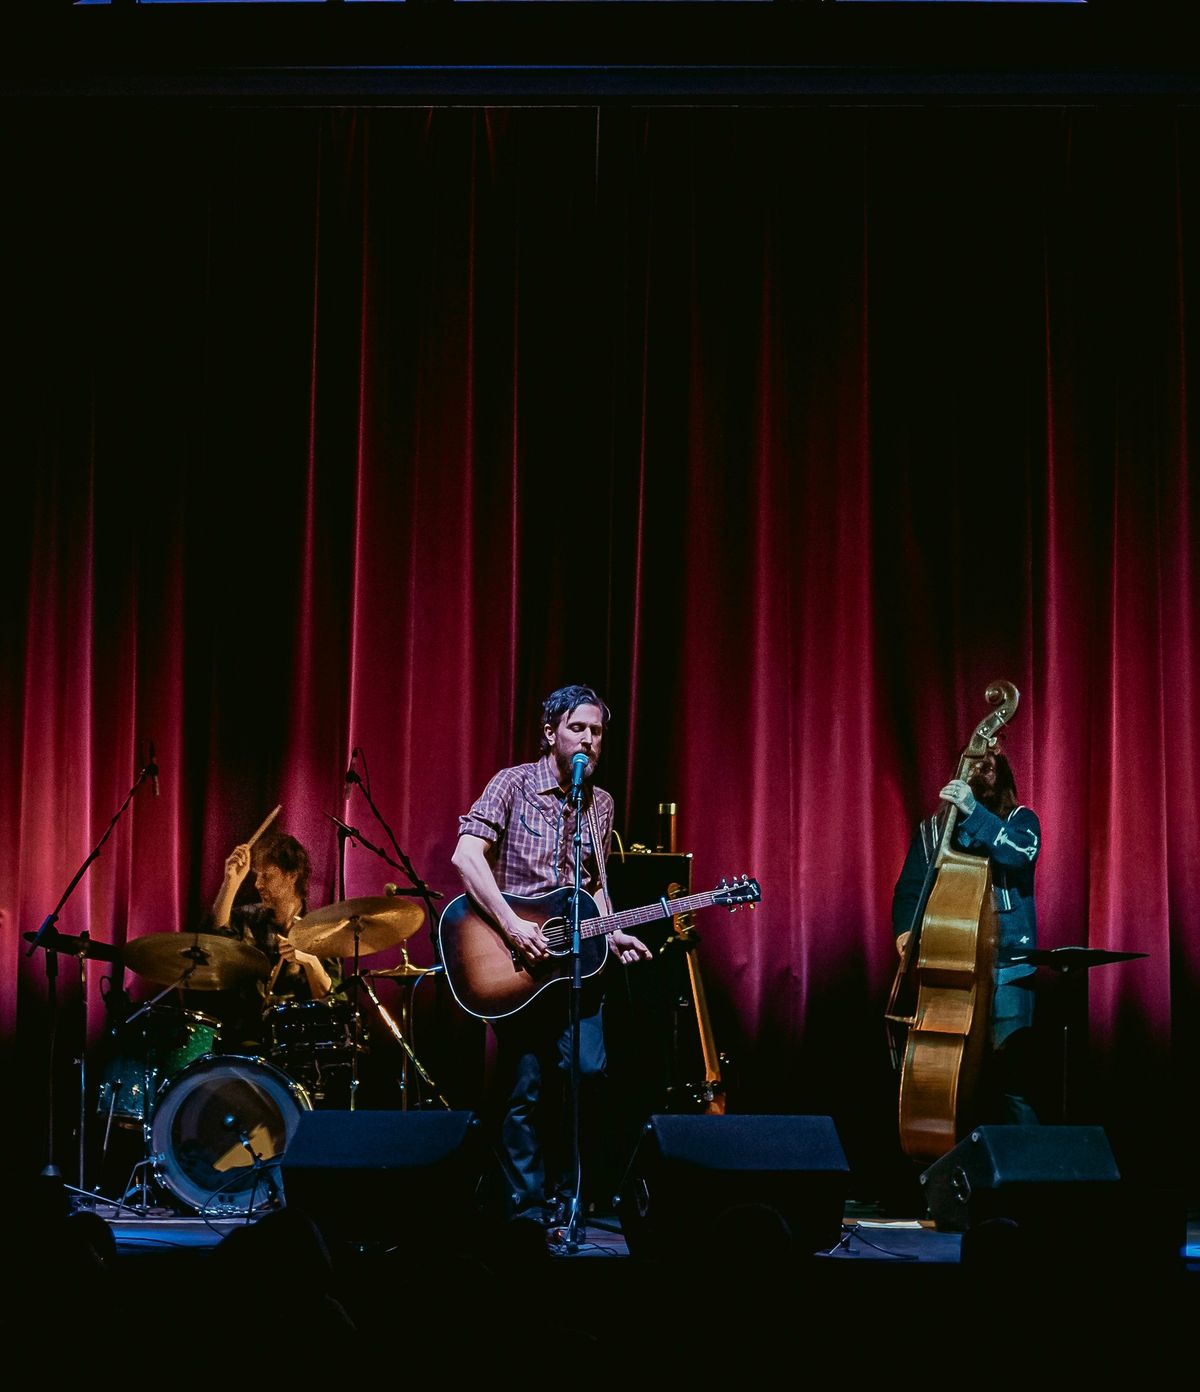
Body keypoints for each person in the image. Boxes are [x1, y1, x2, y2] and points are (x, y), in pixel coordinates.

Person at [450, 682, 653, 1230]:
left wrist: (613, 933)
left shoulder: (600, 803)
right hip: (513, 962)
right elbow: (466, 856)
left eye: (597, 731)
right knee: (525, 1087)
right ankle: (526, 1204)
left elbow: (596, 885)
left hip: (574, 966)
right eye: (577, 728)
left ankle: (571, 1196)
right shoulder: (512, 785)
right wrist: (514, 926)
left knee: (587, 1073)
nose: (589, 739)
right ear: (550, 733)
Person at [892, 741, 1042, 1125]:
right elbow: (910, 889)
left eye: (990, 767)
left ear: (1003, 775)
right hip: (952, 974)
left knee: (1013, 1081)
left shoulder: (1022, 821)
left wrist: (975, 813)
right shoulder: (934, 831)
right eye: (975, 766)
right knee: (954, 1077)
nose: (981, 772)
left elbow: (1020, 854)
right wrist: (906, 934)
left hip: (1011, 971)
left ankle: (1026, 1169)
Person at [202, 830, 343, 1061]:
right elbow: (215, 940)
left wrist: (309, 961)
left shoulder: (320, 929)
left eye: (266, 877)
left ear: (291, 876)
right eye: (256, 876)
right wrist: (231, 882)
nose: (257, 884)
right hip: (243, 1041)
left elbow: (332, 1002)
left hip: (299, 1047)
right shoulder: (247, 918)